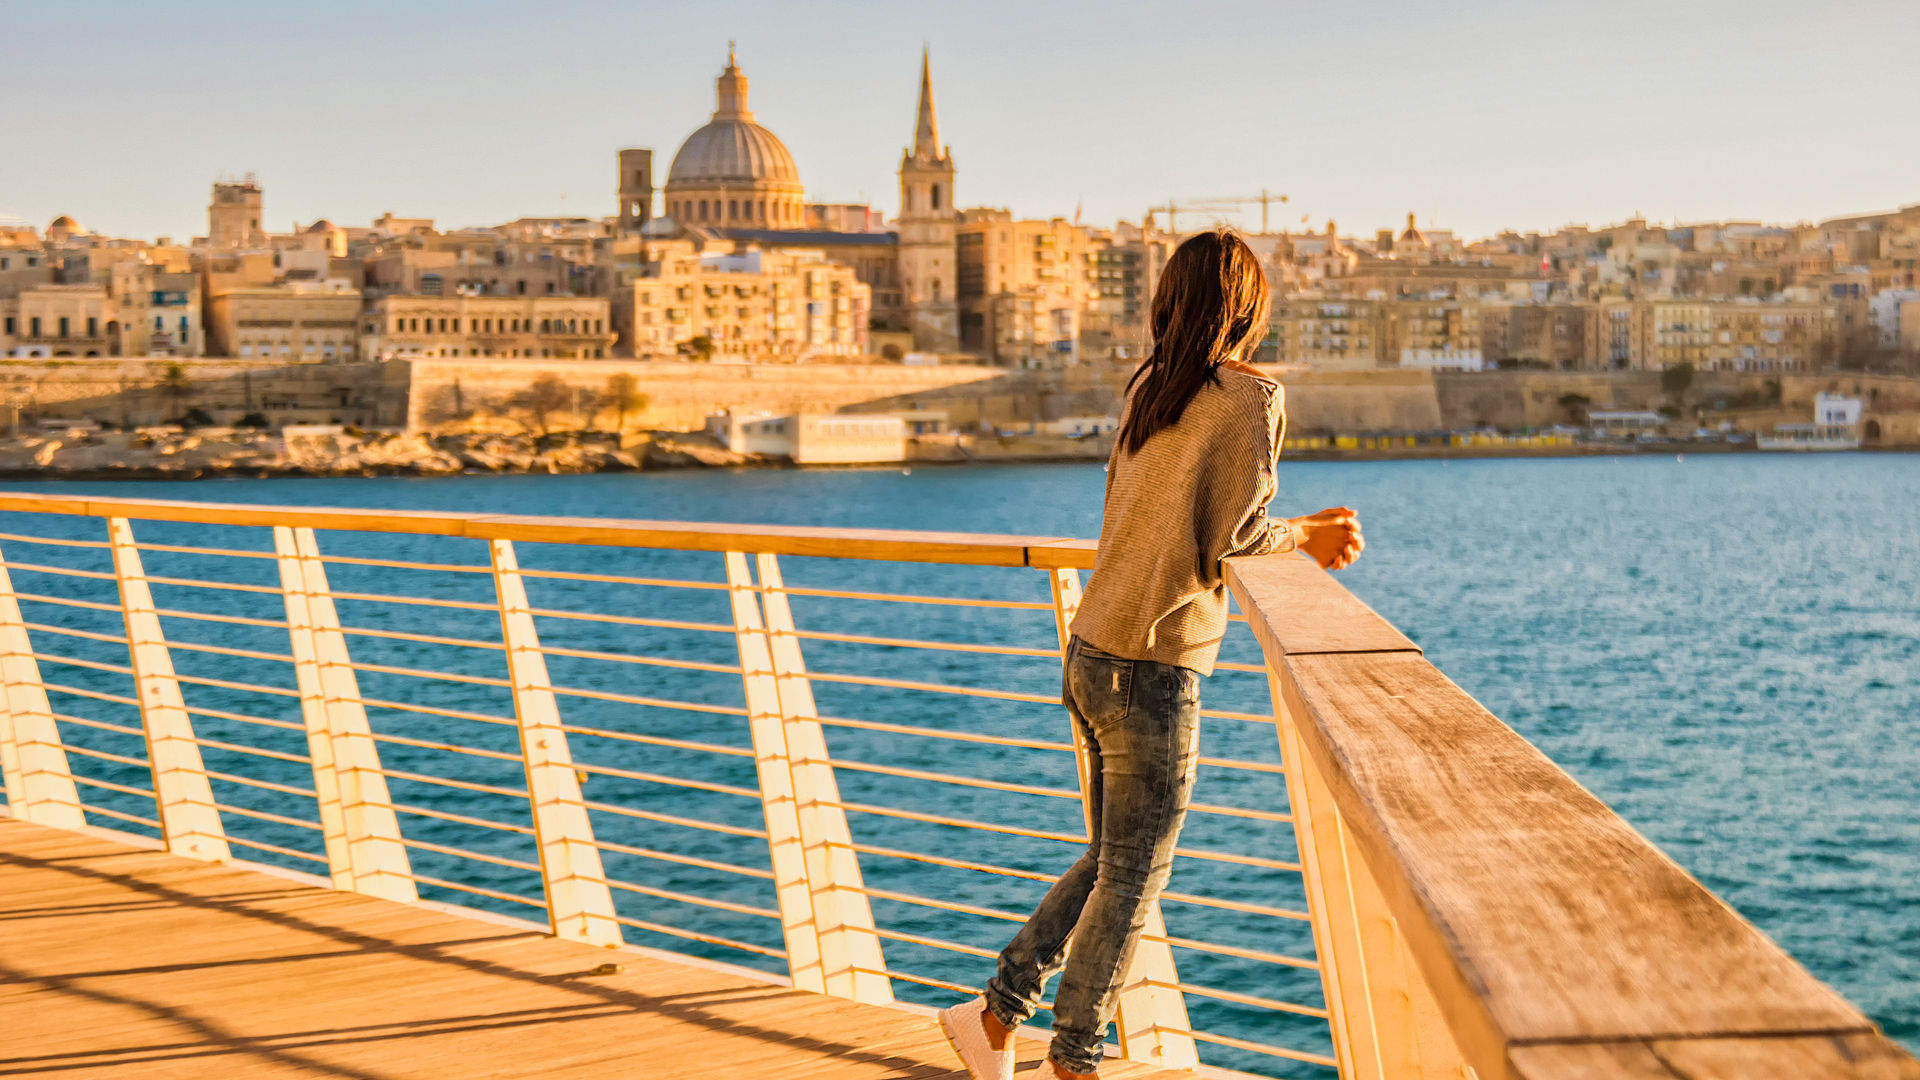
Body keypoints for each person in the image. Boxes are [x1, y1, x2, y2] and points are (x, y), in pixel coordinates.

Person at [937, 227, 1363, 1079]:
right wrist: (1308, 539)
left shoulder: (1148, 389)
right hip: (1155, 664)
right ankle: (1074, 1059)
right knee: (1134, 875)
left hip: (1092, 647)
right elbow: (1230, 542)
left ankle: (993, 1017)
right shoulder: (1252, 398)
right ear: (1248, 306)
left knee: (1111, 858)